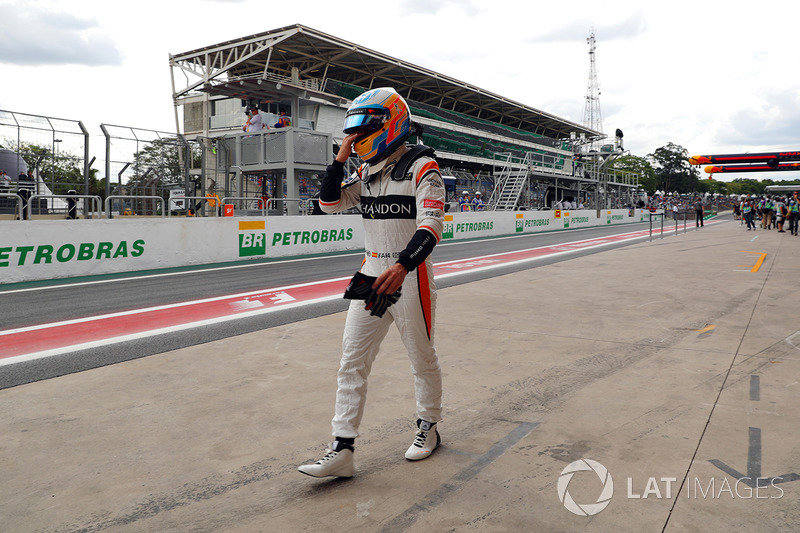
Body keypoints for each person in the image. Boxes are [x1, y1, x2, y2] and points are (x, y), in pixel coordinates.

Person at [298, 87, 445, 478]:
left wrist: (403, 265)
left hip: (410, 276)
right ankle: (342, 449)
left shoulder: (422, 168)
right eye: (352, 132)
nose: (356, 137)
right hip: (370, 275)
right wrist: (340, 160)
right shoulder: (364, 171)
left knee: (421, 357)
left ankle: (428, 426)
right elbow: (327, 204)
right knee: (351, 362)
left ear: (389, 123)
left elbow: (431, 227)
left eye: (362, 130)